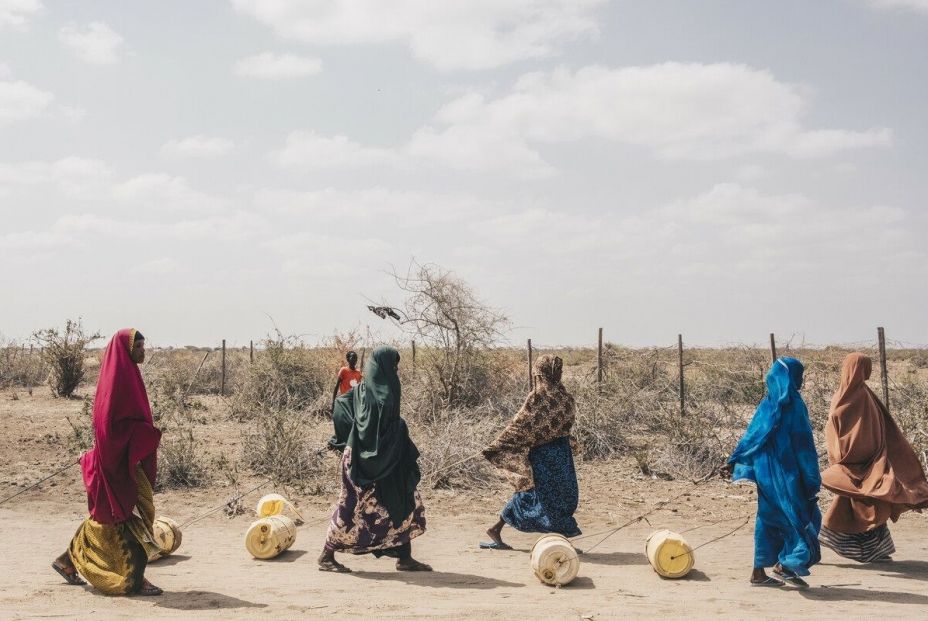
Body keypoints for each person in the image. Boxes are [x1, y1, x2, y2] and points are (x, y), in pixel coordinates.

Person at [51, 329, 164, 595]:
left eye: (143, 346)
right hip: (118, 463)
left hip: (125, 459)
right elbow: (110, 429)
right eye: (138, 347)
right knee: (126, 518)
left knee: (107, 516)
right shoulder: (117, 384)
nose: (143, 352)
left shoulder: (130, 377)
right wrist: (145, 435)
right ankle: (135, 579)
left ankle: (67, 561)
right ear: (125, 350)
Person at [318, 345, 431, 573]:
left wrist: (347, 435)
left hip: (379, 458)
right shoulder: (385, 394)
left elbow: (341, 404)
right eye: (394, 365)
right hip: (368, 462)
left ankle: (404, 556)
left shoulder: (362, 388)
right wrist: (355, 435)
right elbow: (386, 428)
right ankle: (326, 556)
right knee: (352, 506)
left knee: (403, 499)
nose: (396, 370)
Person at [818, 352, 928, 563]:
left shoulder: (849, 395)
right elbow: (853, 435)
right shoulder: (858, 398)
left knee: (869, 506)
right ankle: (843, 541)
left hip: (864, 462)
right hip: (861, 463)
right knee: (868, 507)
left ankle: (871, 550)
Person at [724, 357, 821, 589]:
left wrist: (735, 461)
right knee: (804, 518)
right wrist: (811, 479)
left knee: (768, 518)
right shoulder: (794, 406)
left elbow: (752, 438)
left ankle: (759, 572)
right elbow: (804, 445)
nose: (802, 381)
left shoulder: (767, 404)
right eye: (800, 376)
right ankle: (786, 565)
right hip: (787, 474)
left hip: (765, 474)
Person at [481, 355, 581, 550]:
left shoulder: (564, 397)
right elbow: (520, 425)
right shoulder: (537, 398)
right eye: (556, 370)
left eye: (559, 370)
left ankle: (498, 528)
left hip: (560, 454)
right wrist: (500, 444)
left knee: (564, 496)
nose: (558, 373)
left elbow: (562, 425)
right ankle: (558, 541)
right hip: (543, 455)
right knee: (537, 494)